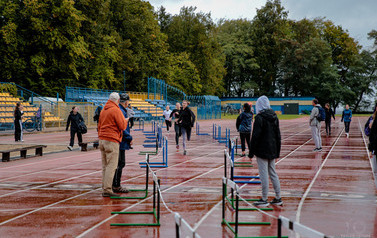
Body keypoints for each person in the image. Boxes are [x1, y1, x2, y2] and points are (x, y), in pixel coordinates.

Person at [249, 96, 282, 207]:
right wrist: (278, 151)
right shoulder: (274, 116)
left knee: (263, 174)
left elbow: (255, 136)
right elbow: (278, 135)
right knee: (273, 173)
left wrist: (251, 152)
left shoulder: (259, 118)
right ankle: (278, 197)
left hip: (262, 149)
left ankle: (264, 198)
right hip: (272, 149)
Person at [98, 92, 128, 197]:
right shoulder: (116, 110)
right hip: (112, 139)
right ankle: (107, 189)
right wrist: (126, 120)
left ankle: (105, 186)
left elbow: (99, 125)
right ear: (118, 100)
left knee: (105, 165)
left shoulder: (103, 110)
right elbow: (122, 126)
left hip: (102, 139)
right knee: (112, 165)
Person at [112, 93, 133, 194]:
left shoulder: (121, 110)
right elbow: (123, 127)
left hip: (120, 139)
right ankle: (116, 185)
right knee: (120, 163)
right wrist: (129, 137)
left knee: (118, 163)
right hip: (120, 140)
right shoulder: (121, 111)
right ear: (125, 102)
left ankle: (115, 184)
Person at [368, 109, 377, 188]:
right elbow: (370, 135)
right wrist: (370, 149)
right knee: (375, 171)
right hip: (375, 148)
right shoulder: (373, 119)